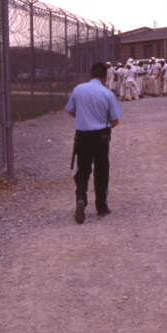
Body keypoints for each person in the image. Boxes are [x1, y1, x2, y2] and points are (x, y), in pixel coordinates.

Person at [65, 62, 123, 223]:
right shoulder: (107, 94)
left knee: (83, 171)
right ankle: (101, 207)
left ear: (90, 74)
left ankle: (81, 199)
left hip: (82, 135)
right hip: (101, 137)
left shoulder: (78, 89)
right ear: (105, 77)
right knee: (101, 171)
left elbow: (70, 110)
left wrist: (84, 119)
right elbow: (115, 120)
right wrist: (100, 124)